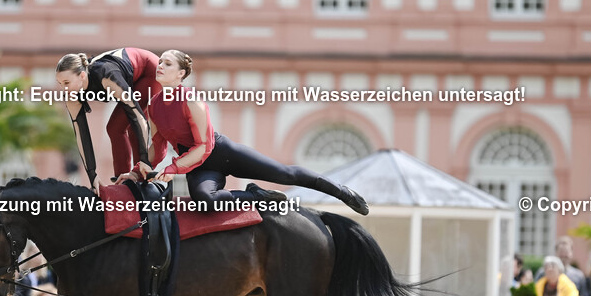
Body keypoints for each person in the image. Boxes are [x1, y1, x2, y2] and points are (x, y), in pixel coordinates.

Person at [117, 50, 369, 214]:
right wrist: (138, 171)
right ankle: (256, 195)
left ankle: (342, 192)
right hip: (197, 167)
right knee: (206, 201)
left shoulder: (191, 101)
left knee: (285, 173)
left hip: (221, 153)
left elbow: (204, 146)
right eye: (159, 62)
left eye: (167, 63)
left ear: (181, 74)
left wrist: (172, 170)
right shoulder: (154, 105)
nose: (159, 66)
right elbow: (158, 146)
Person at [55, 48, 162, 192]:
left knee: (125, 126)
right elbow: (82, 136)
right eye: (60, 83)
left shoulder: (107, 76)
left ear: (81, 76)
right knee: (114, 129)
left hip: (148, 70)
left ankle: (140, 176)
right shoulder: (72, 97)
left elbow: (137, 116)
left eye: (67, 82)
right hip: (129, 77)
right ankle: (121, 180)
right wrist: (92, 176)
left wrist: (144, 160)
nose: (64, 89)